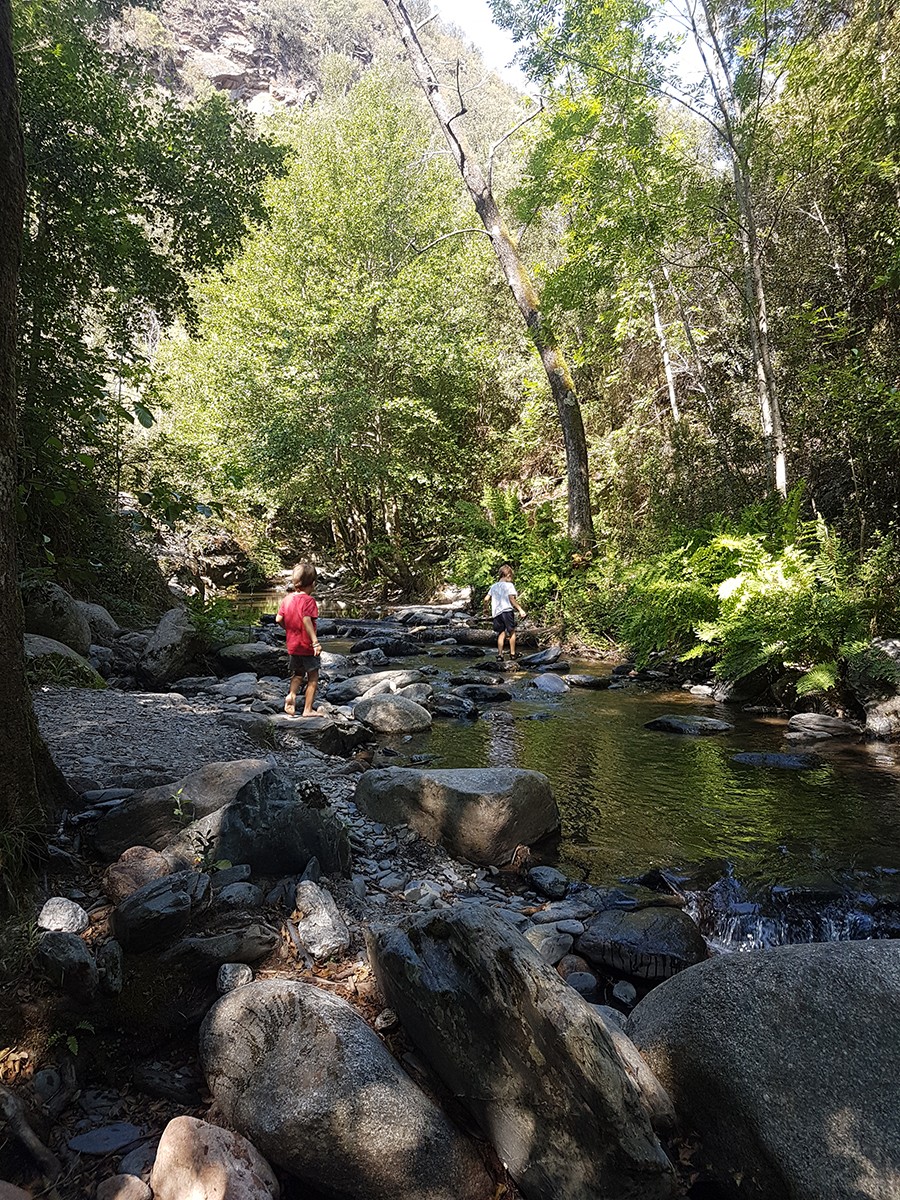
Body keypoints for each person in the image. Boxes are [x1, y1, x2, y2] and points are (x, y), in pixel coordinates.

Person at [276, 562, 321, 717]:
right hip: (307, 645)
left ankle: (291, 696)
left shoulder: (287, 599)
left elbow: (278, 619)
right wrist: (315, 642)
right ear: (313, 584)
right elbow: (306, 620)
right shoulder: (309, 601)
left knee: (298, 674)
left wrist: (288, 629)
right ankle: (308, 710)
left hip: (293, 645)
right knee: (313, 677)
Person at [484, 564, 527, 660]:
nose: (511, 579)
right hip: (507, 611)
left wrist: (486, 609)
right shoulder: (509, 585)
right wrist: (520, 609)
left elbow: (486, 599)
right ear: (507, 575)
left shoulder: (493, 586)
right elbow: (511, 599)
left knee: (501, 633)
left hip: (496, 613)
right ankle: (512, 654)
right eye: (511, 576)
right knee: (511, 631)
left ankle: (500, 655)